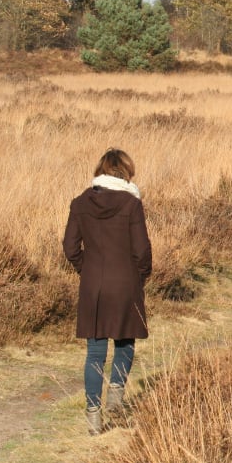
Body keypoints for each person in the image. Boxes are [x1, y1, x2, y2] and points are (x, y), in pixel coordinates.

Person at [62, 148, 152, 436]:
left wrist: (85, 270)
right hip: (126, 283)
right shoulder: (131, 204)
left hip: (92, 286)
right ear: (126, 172)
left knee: (95, 352)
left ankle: (93, 418)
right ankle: (115, 392)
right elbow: (141, 251)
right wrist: (140, 278)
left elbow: (69, 247)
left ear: (100, 171)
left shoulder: (79, 203)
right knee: (125, 342)